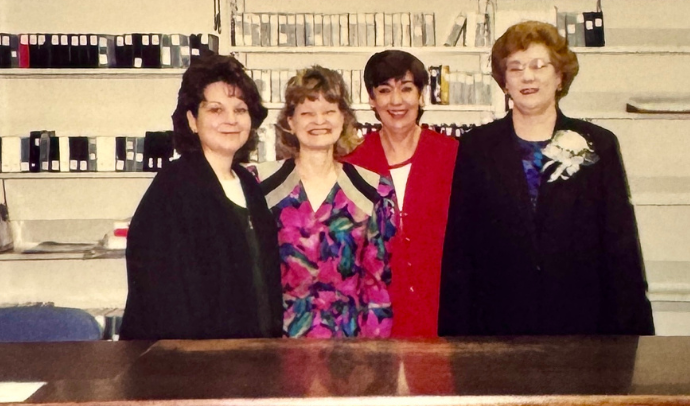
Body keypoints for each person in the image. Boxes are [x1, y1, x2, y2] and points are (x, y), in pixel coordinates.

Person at [439, 21, 654, 336]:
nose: (528, 76)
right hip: (498, 325)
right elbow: (460, 251)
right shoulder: (476, 147)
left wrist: (633, 333)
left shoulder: (598, 144)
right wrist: (455, 340)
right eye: (515, 68)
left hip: (582, 325)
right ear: (504, 82)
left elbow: (620, 246)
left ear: (559, 76)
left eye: (539, 65)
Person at [120, 54, 283, 340]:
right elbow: (165, 298)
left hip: (250, 358)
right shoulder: (175, 187)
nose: (231, 120)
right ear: (193, 121)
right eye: (216, 110)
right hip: (191, 366)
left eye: (240, 109)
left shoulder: (249, 185)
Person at [256, 65, 397, 338]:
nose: (318, 121)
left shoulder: (374, 189)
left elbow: (377, 283)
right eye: (307, 113)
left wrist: (374, 357)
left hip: (349, 346)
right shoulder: (261, 184)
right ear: (290, 122)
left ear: (343, 118)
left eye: (329, 111)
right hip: (278, 342)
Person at [343, 50, 458, 338]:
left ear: (421, 95)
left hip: (443, 313)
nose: (396, 101)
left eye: (406, 88)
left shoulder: (452, 156)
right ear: (372, 99)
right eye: (385, 91)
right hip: (378, 318)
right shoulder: (353, 164)